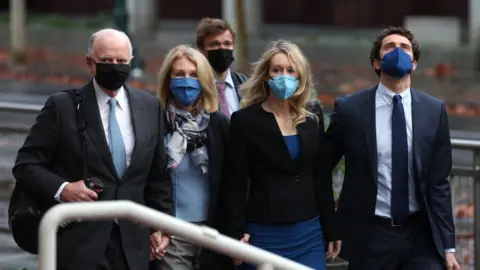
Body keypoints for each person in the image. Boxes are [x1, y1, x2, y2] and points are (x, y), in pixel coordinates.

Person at [12, 28, 173, 270]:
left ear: (131, 62)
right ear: (90, 63)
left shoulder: (149, 107)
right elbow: (26, 165)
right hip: (78, 243)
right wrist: (63, 189)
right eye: (107, 61)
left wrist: (162, 225)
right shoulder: (62, 107)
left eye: (121, 61)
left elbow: (158, 176)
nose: (115, 67)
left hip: (134, 247)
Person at [325, 26, 460, 270]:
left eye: (405, 48)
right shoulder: (350, 110)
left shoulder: (434, 110)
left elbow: (439, 183)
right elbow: (322, 166)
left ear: (414, 63)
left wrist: (448, 247)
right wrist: (331, 224)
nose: (398, 52)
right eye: (390, 47)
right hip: (371, 236)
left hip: (421, 235)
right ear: (377, 63)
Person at [220, 40, 341, 270]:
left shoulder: (312, 116)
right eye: (276, 70)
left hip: (309, 233)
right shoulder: (245, 121)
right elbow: (234, 182)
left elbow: (321, 176)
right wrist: (234, 233)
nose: (283, 75)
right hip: (263, 234)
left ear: (300, 76)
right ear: (266, 76)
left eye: (290, 70)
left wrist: (331, 227)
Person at [149, 45, 229, 270]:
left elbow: (232, 179)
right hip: (172, 232)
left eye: (194, 75)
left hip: (213, 231)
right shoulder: (155, 122)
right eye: (179, 74)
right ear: (168, 80)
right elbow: (149, 178)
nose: (186, 81)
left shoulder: (218, 124)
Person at [196, 17, 247, 117]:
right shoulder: (195, 87)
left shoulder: (244, 85)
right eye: (214, 44)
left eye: (227, 44)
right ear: (202, 49)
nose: (222, 49)